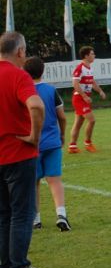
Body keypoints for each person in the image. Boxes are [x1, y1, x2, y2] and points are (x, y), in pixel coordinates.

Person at [0, 31, 49, 268]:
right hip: (18, 154)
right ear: (20, 51)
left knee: (3, 214)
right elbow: (37, 105)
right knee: (21, 213)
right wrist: (34, 136)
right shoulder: (19, 76)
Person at [23, 57, 70, 232]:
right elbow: (62, 117)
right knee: (55, 180)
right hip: (52, 142)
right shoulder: (51, 90)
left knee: (33, 182)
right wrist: (62, 134)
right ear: (43, 71)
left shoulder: (25, 92)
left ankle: (36, 219)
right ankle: (61, 214)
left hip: (32, 143)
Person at [68, 46, 106, 154]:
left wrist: (100, 91)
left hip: (84, 99)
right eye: (92, 54)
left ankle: (72, 146)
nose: (94, 55)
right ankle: (88, 143)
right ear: (86, 56)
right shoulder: (80, 68)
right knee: (92, 120)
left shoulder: (89, 68)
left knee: (78, 123)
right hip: (79, 98)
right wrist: (84, 96)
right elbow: (75, 84)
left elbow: (92, 82)